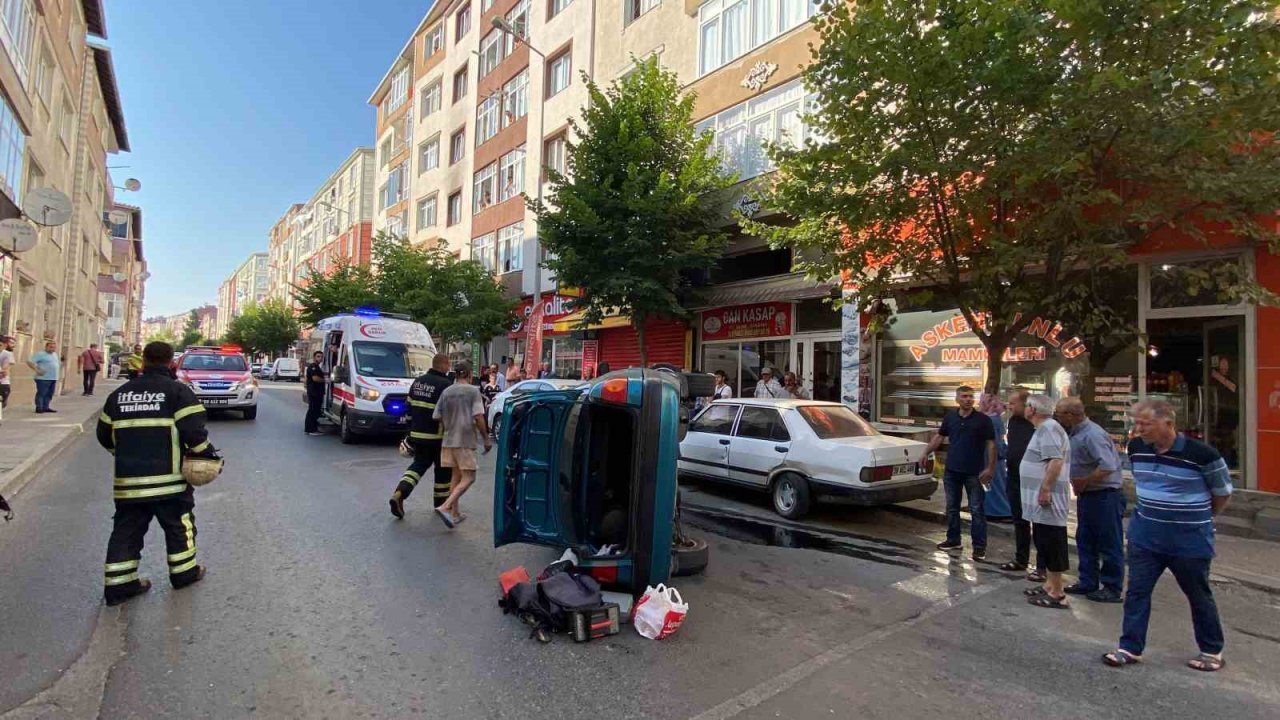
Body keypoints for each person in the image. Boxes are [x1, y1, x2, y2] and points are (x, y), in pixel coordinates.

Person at [1103, 399, 1232, 672]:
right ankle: (1130, 647)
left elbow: (1222, 492)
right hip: (1145, 536)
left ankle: (1211, 649)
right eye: (1136, 423)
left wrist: (1204, 517)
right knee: (1137, 592)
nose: (1139, 430)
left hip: (1189, 539)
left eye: (1145, 424)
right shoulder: (1137, 449)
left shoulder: (1203, 454)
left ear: (1168, 424)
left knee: (1198, 594)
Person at [96, 342, 217, 606]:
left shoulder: (120, 395)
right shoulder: (177, 392)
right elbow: (194, 432)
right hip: (169, 481)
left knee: (126, 531)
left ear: (144, 361)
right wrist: (207, 454)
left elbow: (104, 435)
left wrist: (126, 454)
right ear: (171, 362)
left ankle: (119, 586)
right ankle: (184, 573)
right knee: (178, 526)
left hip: (129, 481)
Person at [1056, 397, 1125, 603]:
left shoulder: (1092, 434)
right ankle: (1088, 580)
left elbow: (1108, 466)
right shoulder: (1075, 433)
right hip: (1088, 495)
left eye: (1060, 414)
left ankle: (1112, 587)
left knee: (1109, 542)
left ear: (1070, 415)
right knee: (1085, 539)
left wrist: (1084, 481)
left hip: (1105, 495)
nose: (1058, 418)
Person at [924, 385, 996, 560]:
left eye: (971, 396)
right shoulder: (950, 417)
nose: (968, 399)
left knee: (977, 510)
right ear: (957, 399)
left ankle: (979, 546)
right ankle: (953, 539)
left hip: (975, 473)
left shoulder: (983, 420)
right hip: (952, 471)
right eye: (964, 396)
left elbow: (992, 444)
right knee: (952, 507)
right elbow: (940, 436)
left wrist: (990, 468)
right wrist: (925, 453)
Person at [1020, 394, 1073, 609]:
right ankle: (1050, 585)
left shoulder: (1049, 428)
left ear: (1032, 409)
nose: (1024, 409)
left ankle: (1057, 592)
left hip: (1048, 498)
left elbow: (1055, 460)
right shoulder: (1045, 428)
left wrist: (1045, 489)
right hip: (1040, 499)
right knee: (1043, 540)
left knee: (1052, 541)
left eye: (1026, 406)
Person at [389, 353, 454, 519]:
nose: (449, 368)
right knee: (443, 471)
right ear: (444, 365)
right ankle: (440, 505)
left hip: (417, 434)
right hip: (437, 436)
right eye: (448, 365)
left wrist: (409, 432)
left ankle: (400, 492)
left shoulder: (417, 382)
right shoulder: (446, 385)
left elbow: (408, 408)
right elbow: (448, 413)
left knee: (418, 466)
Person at [432, 361, 491, 528]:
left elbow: (436, 416)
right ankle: (446, 506)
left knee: (456, 476)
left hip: (448, 439)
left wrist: (450, 422)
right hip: (464, 439)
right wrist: (486, 438)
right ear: (468, 374)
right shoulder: (473, 391)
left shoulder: (447, 391)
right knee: (469, 477)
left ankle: (454, 513)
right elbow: (479, 416)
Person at [999, 389, 1044, 579]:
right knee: (1020, 519)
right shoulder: (1014, 421)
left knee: (1040, 523)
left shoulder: (1039, 425)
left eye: (1013, 403)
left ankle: (1042, 566)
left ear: (1027, 405)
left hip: (1035, 480)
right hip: (1015, 477)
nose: (1009, 406)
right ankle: (1021, 558)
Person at [979, 392, 1013, 522]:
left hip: (991, 458)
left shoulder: (991, 420)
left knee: (992, 484)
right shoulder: (994, 419)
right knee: (995, 484)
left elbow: (996, 442)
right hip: (993, 457)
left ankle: (998, 510)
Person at [27, 340, 61, 414]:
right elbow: (30, 362)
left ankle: (46, 407)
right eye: (51, 347)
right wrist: (37, 370)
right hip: (43, 378)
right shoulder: (40, 354)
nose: (53, 349)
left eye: (54, 347)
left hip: (53, 377)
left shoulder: (55, 354)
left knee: (50, 394)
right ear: (46, 347)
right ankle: (39, 407)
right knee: (42, 393)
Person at [303, 352, 326, 436]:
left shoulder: (317, 367)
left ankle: (313, 428)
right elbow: (315, 378)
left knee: (316, 411)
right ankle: (310, 429)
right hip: (314, 392)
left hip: (317, 392)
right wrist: (325, 380)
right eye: (318, 356)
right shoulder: (312, 367)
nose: (320, 358)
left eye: (321, 357)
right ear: (314, 357)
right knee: (312, 410)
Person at [0, 336, 14, 409]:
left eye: (0, 345)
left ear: (5, 345)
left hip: (3, 381)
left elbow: (6, 367)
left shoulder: (7, 354)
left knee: (5, 394)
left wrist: (3, 371)